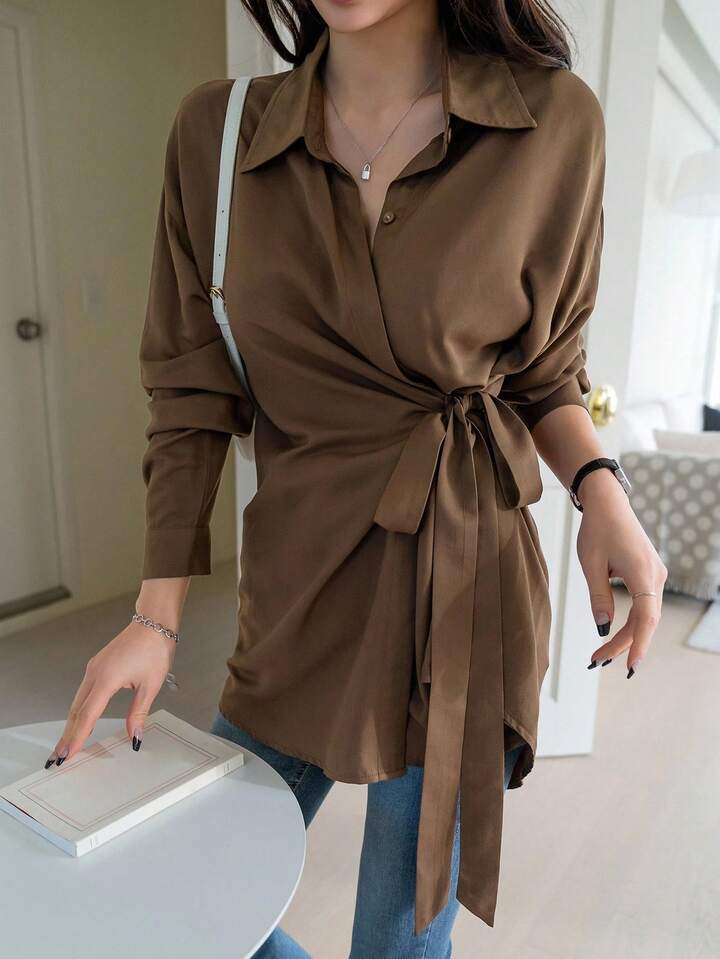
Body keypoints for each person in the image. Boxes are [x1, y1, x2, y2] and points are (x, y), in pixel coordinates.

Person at [48, 1, 668, 956]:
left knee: (400, 944)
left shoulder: (554, 122)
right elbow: (190, 389)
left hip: (468, 584)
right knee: (183, 904)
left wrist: (602, 488)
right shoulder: (219, 134)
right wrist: (156, 613)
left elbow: (546, 374)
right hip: (304, 581)